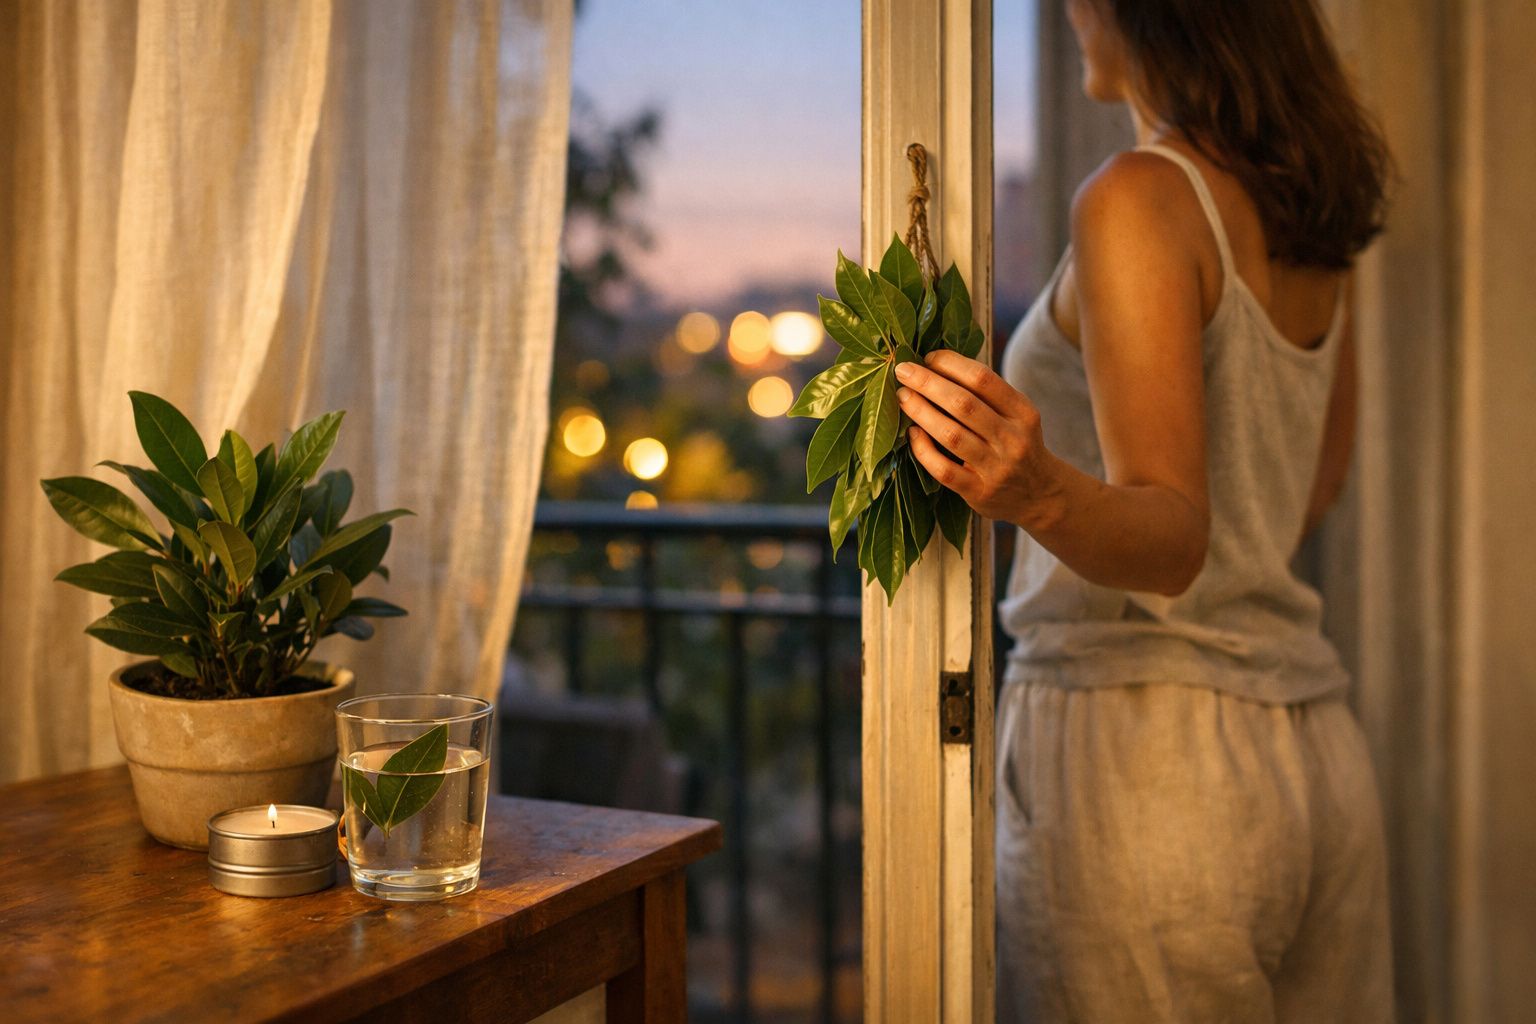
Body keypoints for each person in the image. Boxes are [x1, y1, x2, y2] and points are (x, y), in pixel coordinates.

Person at [893, 1, 1394, 1020]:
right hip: (1313, 748)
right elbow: (1315, 484)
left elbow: (1174, 535)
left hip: (1145, 769)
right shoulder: (1308, 207)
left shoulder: (1137, 196)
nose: (1069, 10)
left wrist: (1035, 488)